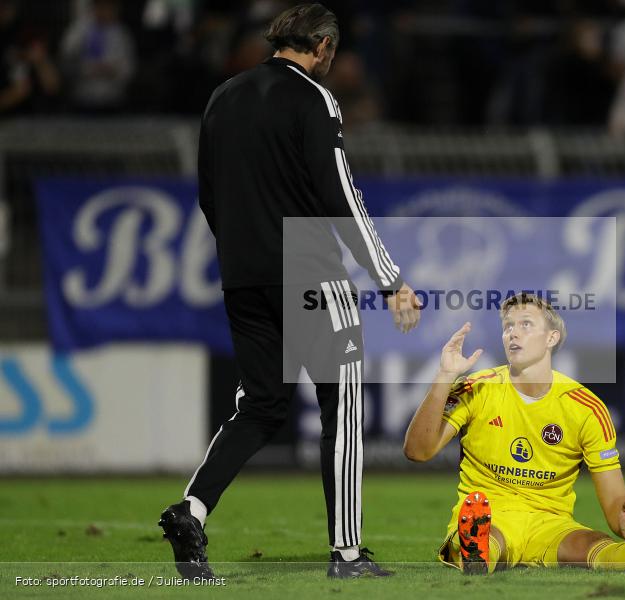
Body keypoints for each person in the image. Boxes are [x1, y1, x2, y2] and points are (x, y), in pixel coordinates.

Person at [158, 3, 421, 580]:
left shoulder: (223, 96)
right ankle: (347, 554)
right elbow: (340, 196)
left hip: (242, 275)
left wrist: (243, 250)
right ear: (323, 47)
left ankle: (192, 509)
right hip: (311, 274)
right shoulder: (314, 99)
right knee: (342, 404)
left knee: (260, 404)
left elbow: (209, 192)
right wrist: (390, 279)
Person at [403, 293, 625, 574]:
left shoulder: (585, 408)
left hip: (550, 523)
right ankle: (477, 550)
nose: (513, 333)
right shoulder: (477, 389)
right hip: (489, 515)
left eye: (525, 324)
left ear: (551, 338)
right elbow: (418, 451)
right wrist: (443, 376)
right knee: (491, 541)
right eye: (508, 326)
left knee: (589, 543)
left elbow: (614, 499)